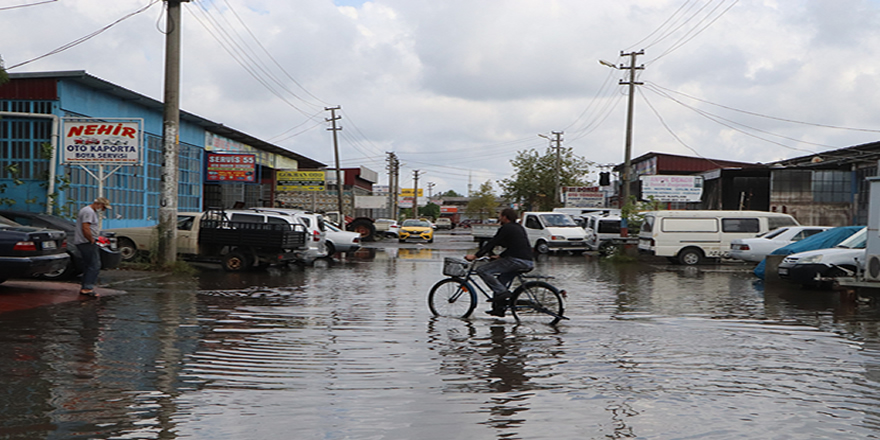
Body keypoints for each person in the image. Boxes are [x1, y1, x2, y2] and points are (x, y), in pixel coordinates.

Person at [465, 208, 534, 317]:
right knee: (500, 281)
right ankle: (498, 309)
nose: (499, 218)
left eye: (500, 216)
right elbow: (515, 246)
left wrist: (475, 256)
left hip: (516, 261)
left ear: (505, 217)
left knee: (482, 270)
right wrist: (499, 256)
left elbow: (492, 243)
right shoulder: (518, 227)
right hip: (527, 261)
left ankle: (503, 293)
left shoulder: (506, 228)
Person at [74, 197, 111, 296]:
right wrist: (91, 239)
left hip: (84, 241)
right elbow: (85, 227)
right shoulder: (88, 212)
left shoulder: (88, 211)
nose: (103, 210)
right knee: (94, 265)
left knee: (88, 265)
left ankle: (86, 286)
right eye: (103, 207)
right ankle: (87, 288)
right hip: (85, 242)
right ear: (98, 204)